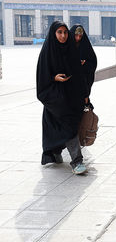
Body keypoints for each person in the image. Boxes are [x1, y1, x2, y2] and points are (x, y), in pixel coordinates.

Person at [36, 20, 89, 174]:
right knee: (68, 126)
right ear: (54, 34)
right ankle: (77, 161)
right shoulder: (47, 52)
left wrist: (85, 95)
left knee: (60, 126)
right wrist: (54, 78)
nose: (63, 36)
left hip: (71, 95)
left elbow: (79, 75)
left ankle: (54, 152)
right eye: (59, 32)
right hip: (54, 97)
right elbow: (41, 76)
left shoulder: (71, 50)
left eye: (65, 32)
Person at [70, 24, 97, 104]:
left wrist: (84, 64)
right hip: (69, 85)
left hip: (82, 85)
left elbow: (93, 63)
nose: (78, 38)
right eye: (76, 36)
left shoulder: (85, 46)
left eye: (80, 36)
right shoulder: (67, 46)